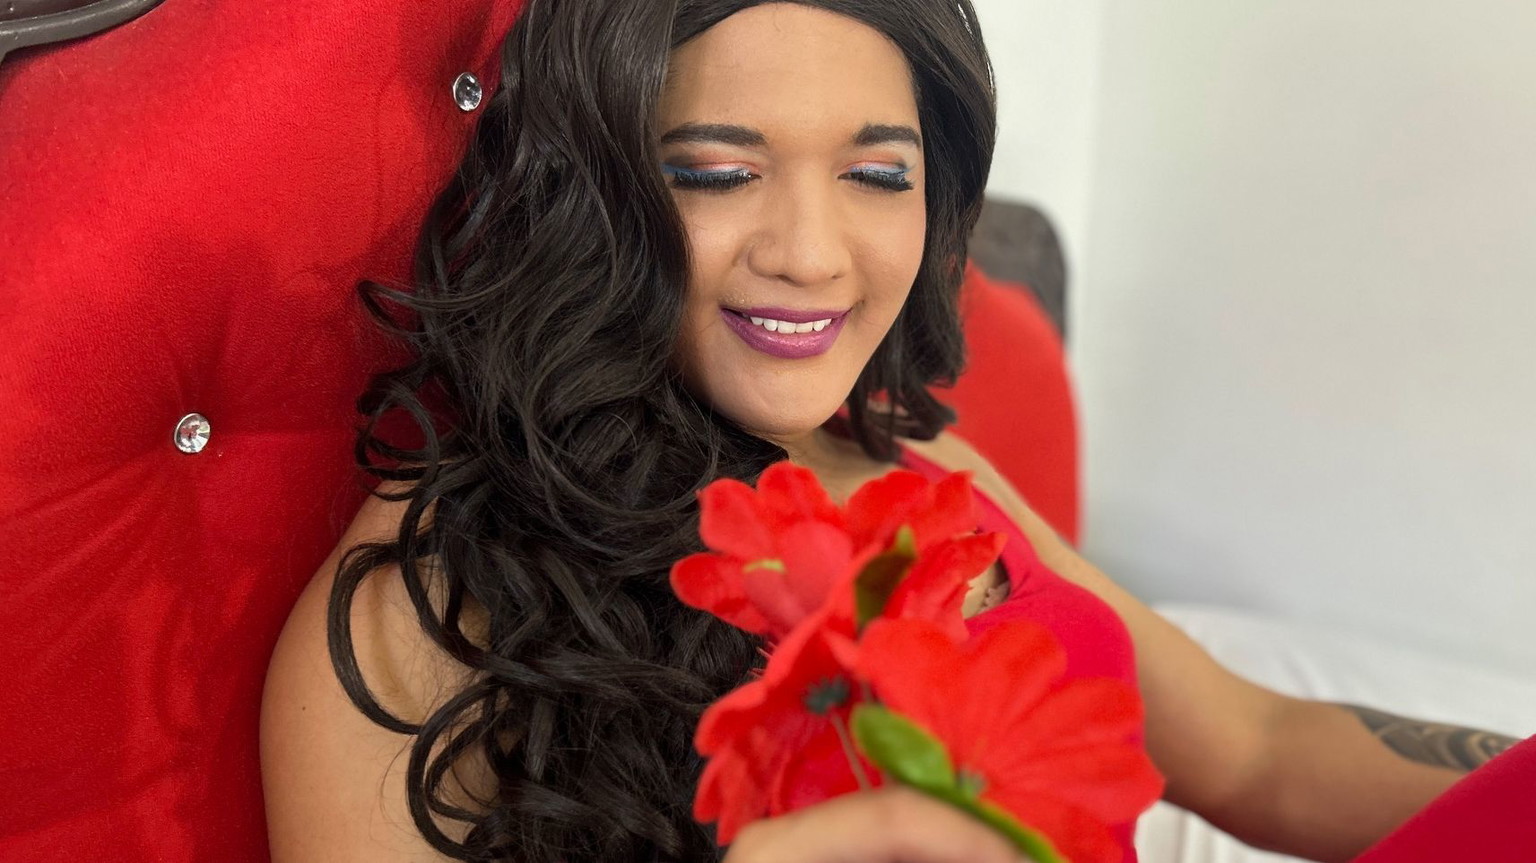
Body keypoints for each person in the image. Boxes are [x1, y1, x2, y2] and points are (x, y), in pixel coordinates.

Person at [259, 1, 1522, 861]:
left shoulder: (931, 469)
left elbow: (1255, 748)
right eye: (716, 172)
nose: (812, 255)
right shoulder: (429, 602)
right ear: (590, 199)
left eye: (877, 176)